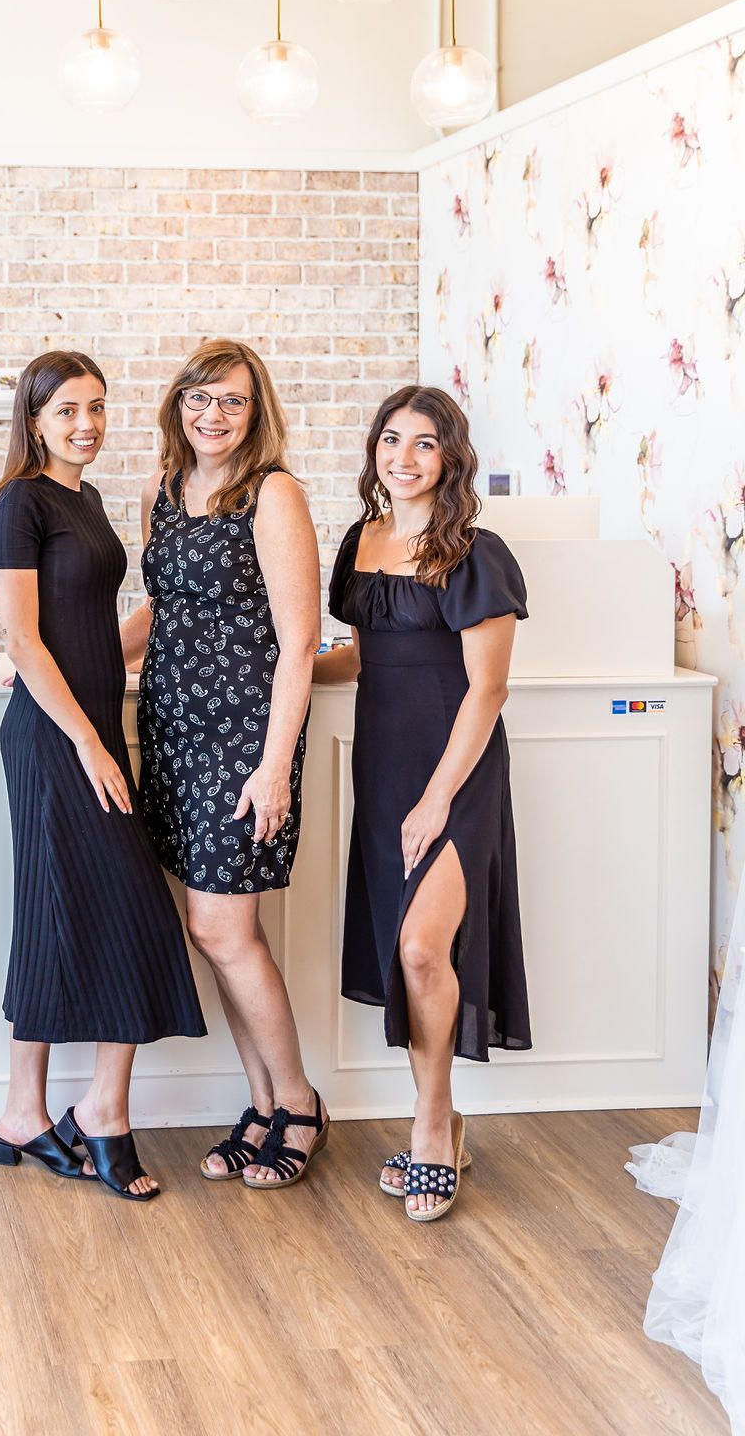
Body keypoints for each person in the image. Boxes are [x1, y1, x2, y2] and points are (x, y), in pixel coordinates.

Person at [0, 350, 206, 1203]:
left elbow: (90, 630)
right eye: (69, 410)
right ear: (34, 419)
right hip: (54, 742)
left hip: (84, 730)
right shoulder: (18, 506)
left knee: (52, 915)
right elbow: (26, 641)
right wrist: (88, 742)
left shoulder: (92, 499)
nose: (87, 425)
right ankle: (102, 1114)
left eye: (99, 409)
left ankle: (23, 1114)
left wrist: (185, 602)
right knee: (140, 912)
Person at [314, 384, 531, 1219]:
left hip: (456, 773)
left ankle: (432, 1127)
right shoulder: (359, 540)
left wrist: (438, 799)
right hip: (383, 769)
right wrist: (285, 672)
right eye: (391, 440)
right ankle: (441, 1118)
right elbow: (363, 662)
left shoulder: (477, 551)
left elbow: (488, 689)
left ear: (452, 458)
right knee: (406, 955)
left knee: (419, 950)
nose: (403, 459)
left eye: (425, 444)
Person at [122, 340, 328, 1189]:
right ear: (179, 404)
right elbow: (159, 609)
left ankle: (302, 1104)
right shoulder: (162, 491)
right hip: (173, 729)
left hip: (244, 736)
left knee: (224, 930)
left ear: (257, 412)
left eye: (232, 402)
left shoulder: (273, 494)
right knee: (216, 934)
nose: (213, 415)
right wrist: (57, 660)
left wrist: (274, 766)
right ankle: (262, 1104)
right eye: (199, 398)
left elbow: (302, 639)